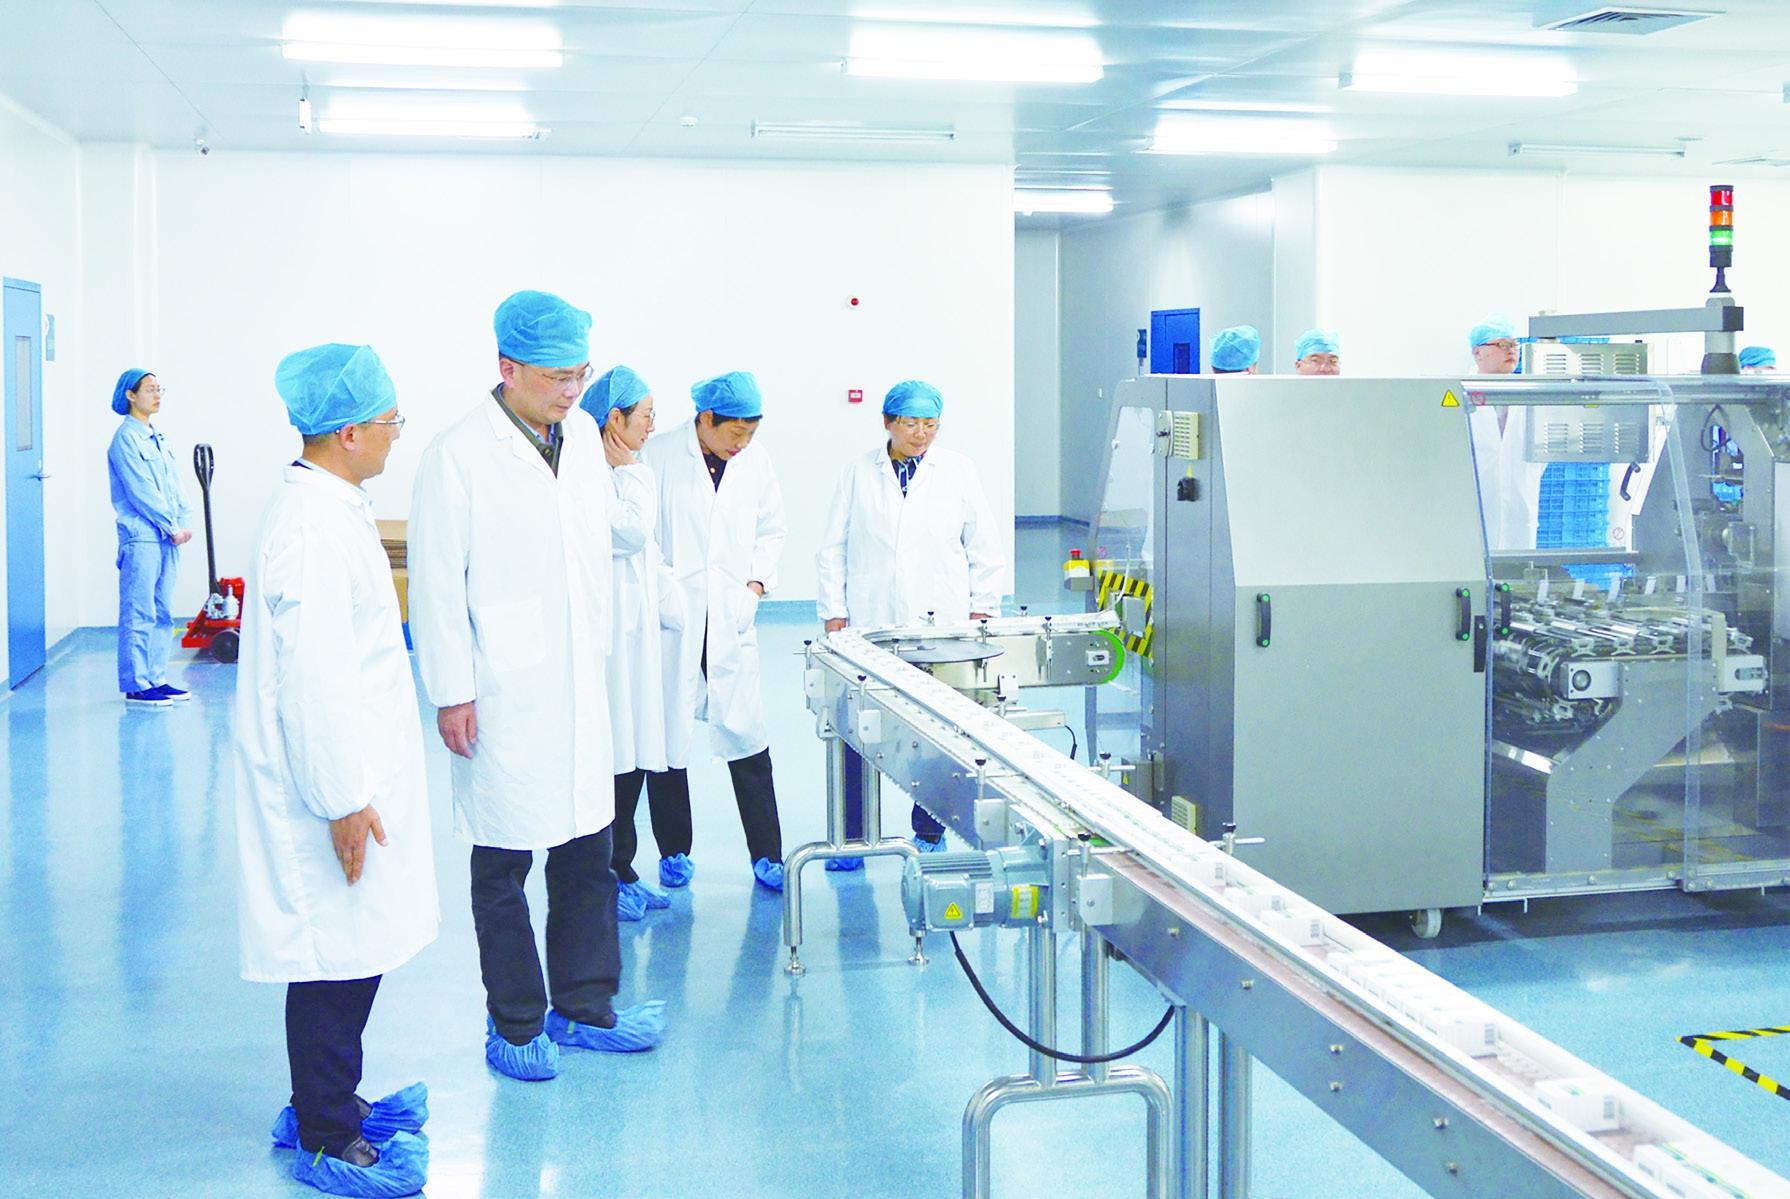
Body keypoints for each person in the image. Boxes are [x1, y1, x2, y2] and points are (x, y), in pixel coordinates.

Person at [409, 291, 664, 1083]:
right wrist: (451, 690)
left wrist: (633, 475)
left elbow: (609, 535)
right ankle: (515, 1020)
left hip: (579, 680)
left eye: (581, 374)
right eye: (557, 376)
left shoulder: (582, 436)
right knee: (503, 861)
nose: (572, 390)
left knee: (588, 849)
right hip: (500, 688)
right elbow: (436, 586)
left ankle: (585, 1004)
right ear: (507, 368)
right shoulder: (456, 454)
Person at [234, 344, 436, 1197]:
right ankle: (323, 1131)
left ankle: (331, 1098)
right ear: (349, 432)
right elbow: (313, 682)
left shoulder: (332, 506)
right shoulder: (312, 528)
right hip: (330, 784)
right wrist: (343, 800)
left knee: (356, 946)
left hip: (354, 769)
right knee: (334, 954)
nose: (397, 434)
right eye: (390, 421)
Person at [815, 380, 1003, 870]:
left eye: (930, 425)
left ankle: (930, 831)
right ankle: (853, 838)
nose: (921, 434)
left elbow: (984, 546)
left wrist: (982, 611)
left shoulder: (958, 471)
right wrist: (834, 613)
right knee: (857, 731)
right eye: (911, 423)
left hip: (941, 625)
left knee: (937, 733)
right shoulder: (857, 473)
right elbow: (833, 547)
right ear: (887, 423)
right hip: (870, 625)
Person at [638, 370, 789, 893]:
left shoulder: (755, 461)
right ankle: (673, 851)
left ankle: (768, 855)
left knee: (747, 731)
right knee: (668, 738)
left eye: (751, 433)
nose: (742, 443)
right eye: (735, 432)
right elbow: (643, 535)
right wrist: (665, 591)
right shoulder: (658, 455)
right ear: (706, 419)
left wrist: (755, 585)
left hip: (730, 611)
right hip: (674, 616)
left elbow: (772, 528)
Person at [578, 366, 682, 922]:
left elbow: (647, 549)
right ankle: (607, 877)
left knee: (636, 754)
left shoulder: (618, 473)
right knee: (612, 759)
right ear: (614, 418)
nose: (652, 426)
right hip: (608, 639)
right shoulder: (588, 474)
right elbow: (629, 532)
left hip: (637, 637)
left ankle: (624, 869)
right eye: (645, 415)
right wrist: (636, 475)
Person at [107, 369, 193, 707]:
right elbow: (141, 490)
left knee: (162, 611)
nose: (157, 395)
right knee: (139, 610)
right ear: (130, 395)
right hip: (143, 536)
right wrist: (171, 526)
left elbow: (175, 485)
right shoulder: (125, 440)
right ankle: (136, 684)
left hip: (168, 536)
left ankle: (156, 677)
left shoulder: (158, 438)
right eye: (150, 389)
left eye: (160, 389)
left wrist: (183, 522)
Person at [1465, 316, 1542, 551]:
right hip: (1473, 506)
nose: (1511, 351)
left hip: (1519, 506)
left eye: (1514, 345)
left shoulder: (1529, 395)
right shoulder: (1460, 395)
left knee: (1519, 564)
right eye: (1502, 345)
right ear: (1478, 352)